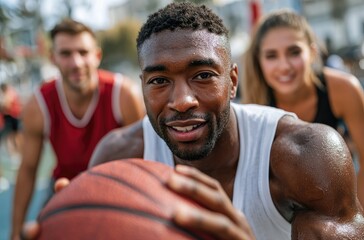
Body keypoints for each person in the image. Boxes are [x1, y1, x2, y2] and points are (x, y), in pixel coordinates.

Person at [21, 3, 364, 240]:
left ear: (232, 81)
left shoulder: (306, 155)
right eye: (159, 81)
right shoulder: (118, 158)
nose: (182, 101)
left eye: (202, 75)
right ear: (141, 85)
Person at [11, 19, 145, 240]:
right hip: (64, 187)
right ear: (53, 58)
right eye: (65, 54)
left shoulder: (124, 95)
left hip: (115, 187)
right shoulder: (39, 104)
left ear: (97, 56)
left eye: (83, 52)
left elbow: (146, 161)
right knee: (34, 234)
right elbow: (28, 169)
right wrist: (15, 233)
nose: (76, 62)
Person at [241, 9, 364, 206]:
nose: (284, 66)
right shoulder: (254, 107)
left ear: (312, 52)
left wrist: (355, 216)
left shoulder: (344, 89)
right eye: (271, 56)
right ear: (259, 61)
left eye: (294, 52)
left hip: (340, 201)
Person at [0, 82, 22, 155]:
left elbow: (7, 105)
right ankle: (15, 151)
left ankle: (16, 150)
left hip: (13, 116)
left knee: (14, 134)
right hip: (12, 116)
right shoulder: (10, 93)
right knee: (13, 135)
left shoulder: (10, 93)